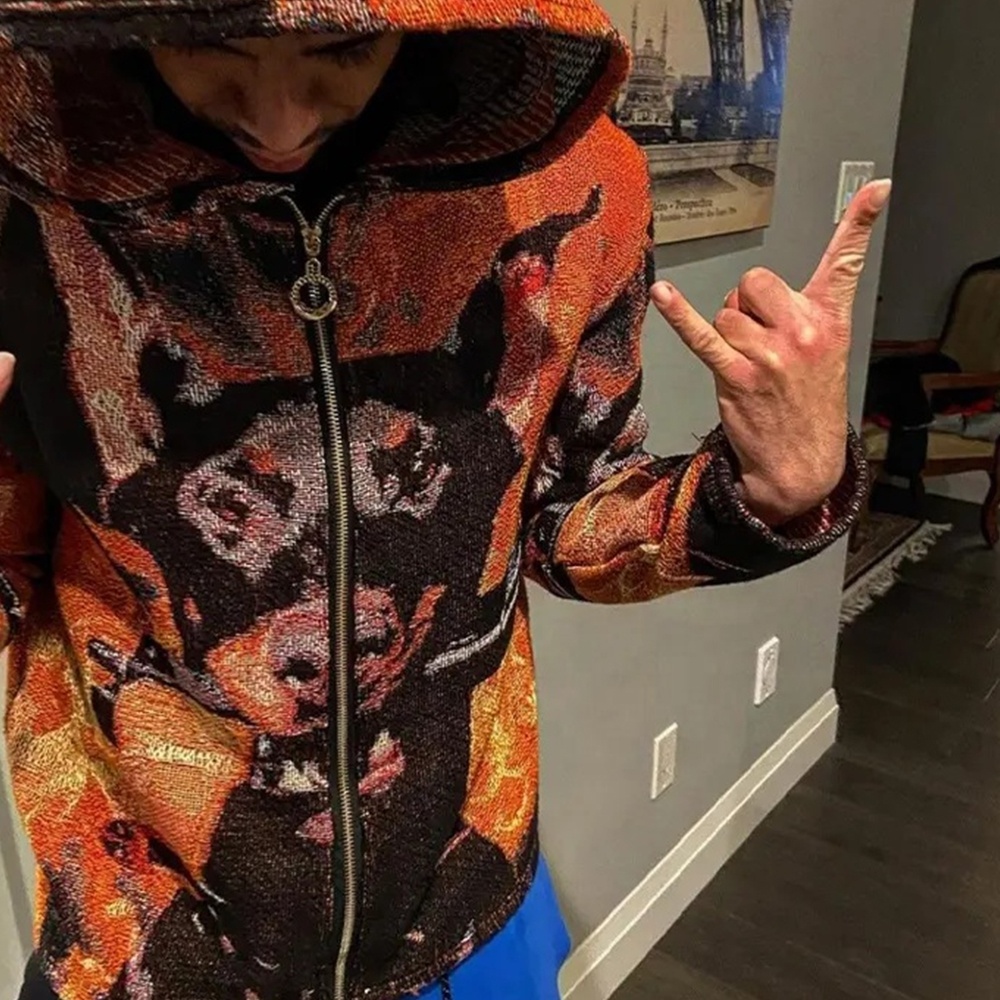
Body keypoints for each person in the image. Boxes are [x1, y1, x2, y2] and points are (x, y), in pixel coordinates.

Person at [0, 2, 887, 999]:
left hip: (466, 897)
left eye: (342, 48)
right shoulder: (23, 196)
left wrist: (763, 492)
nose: (280, 119)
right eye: (208, 45)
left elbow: (562, 515)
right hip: (142, 931)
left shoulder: (579, 183)